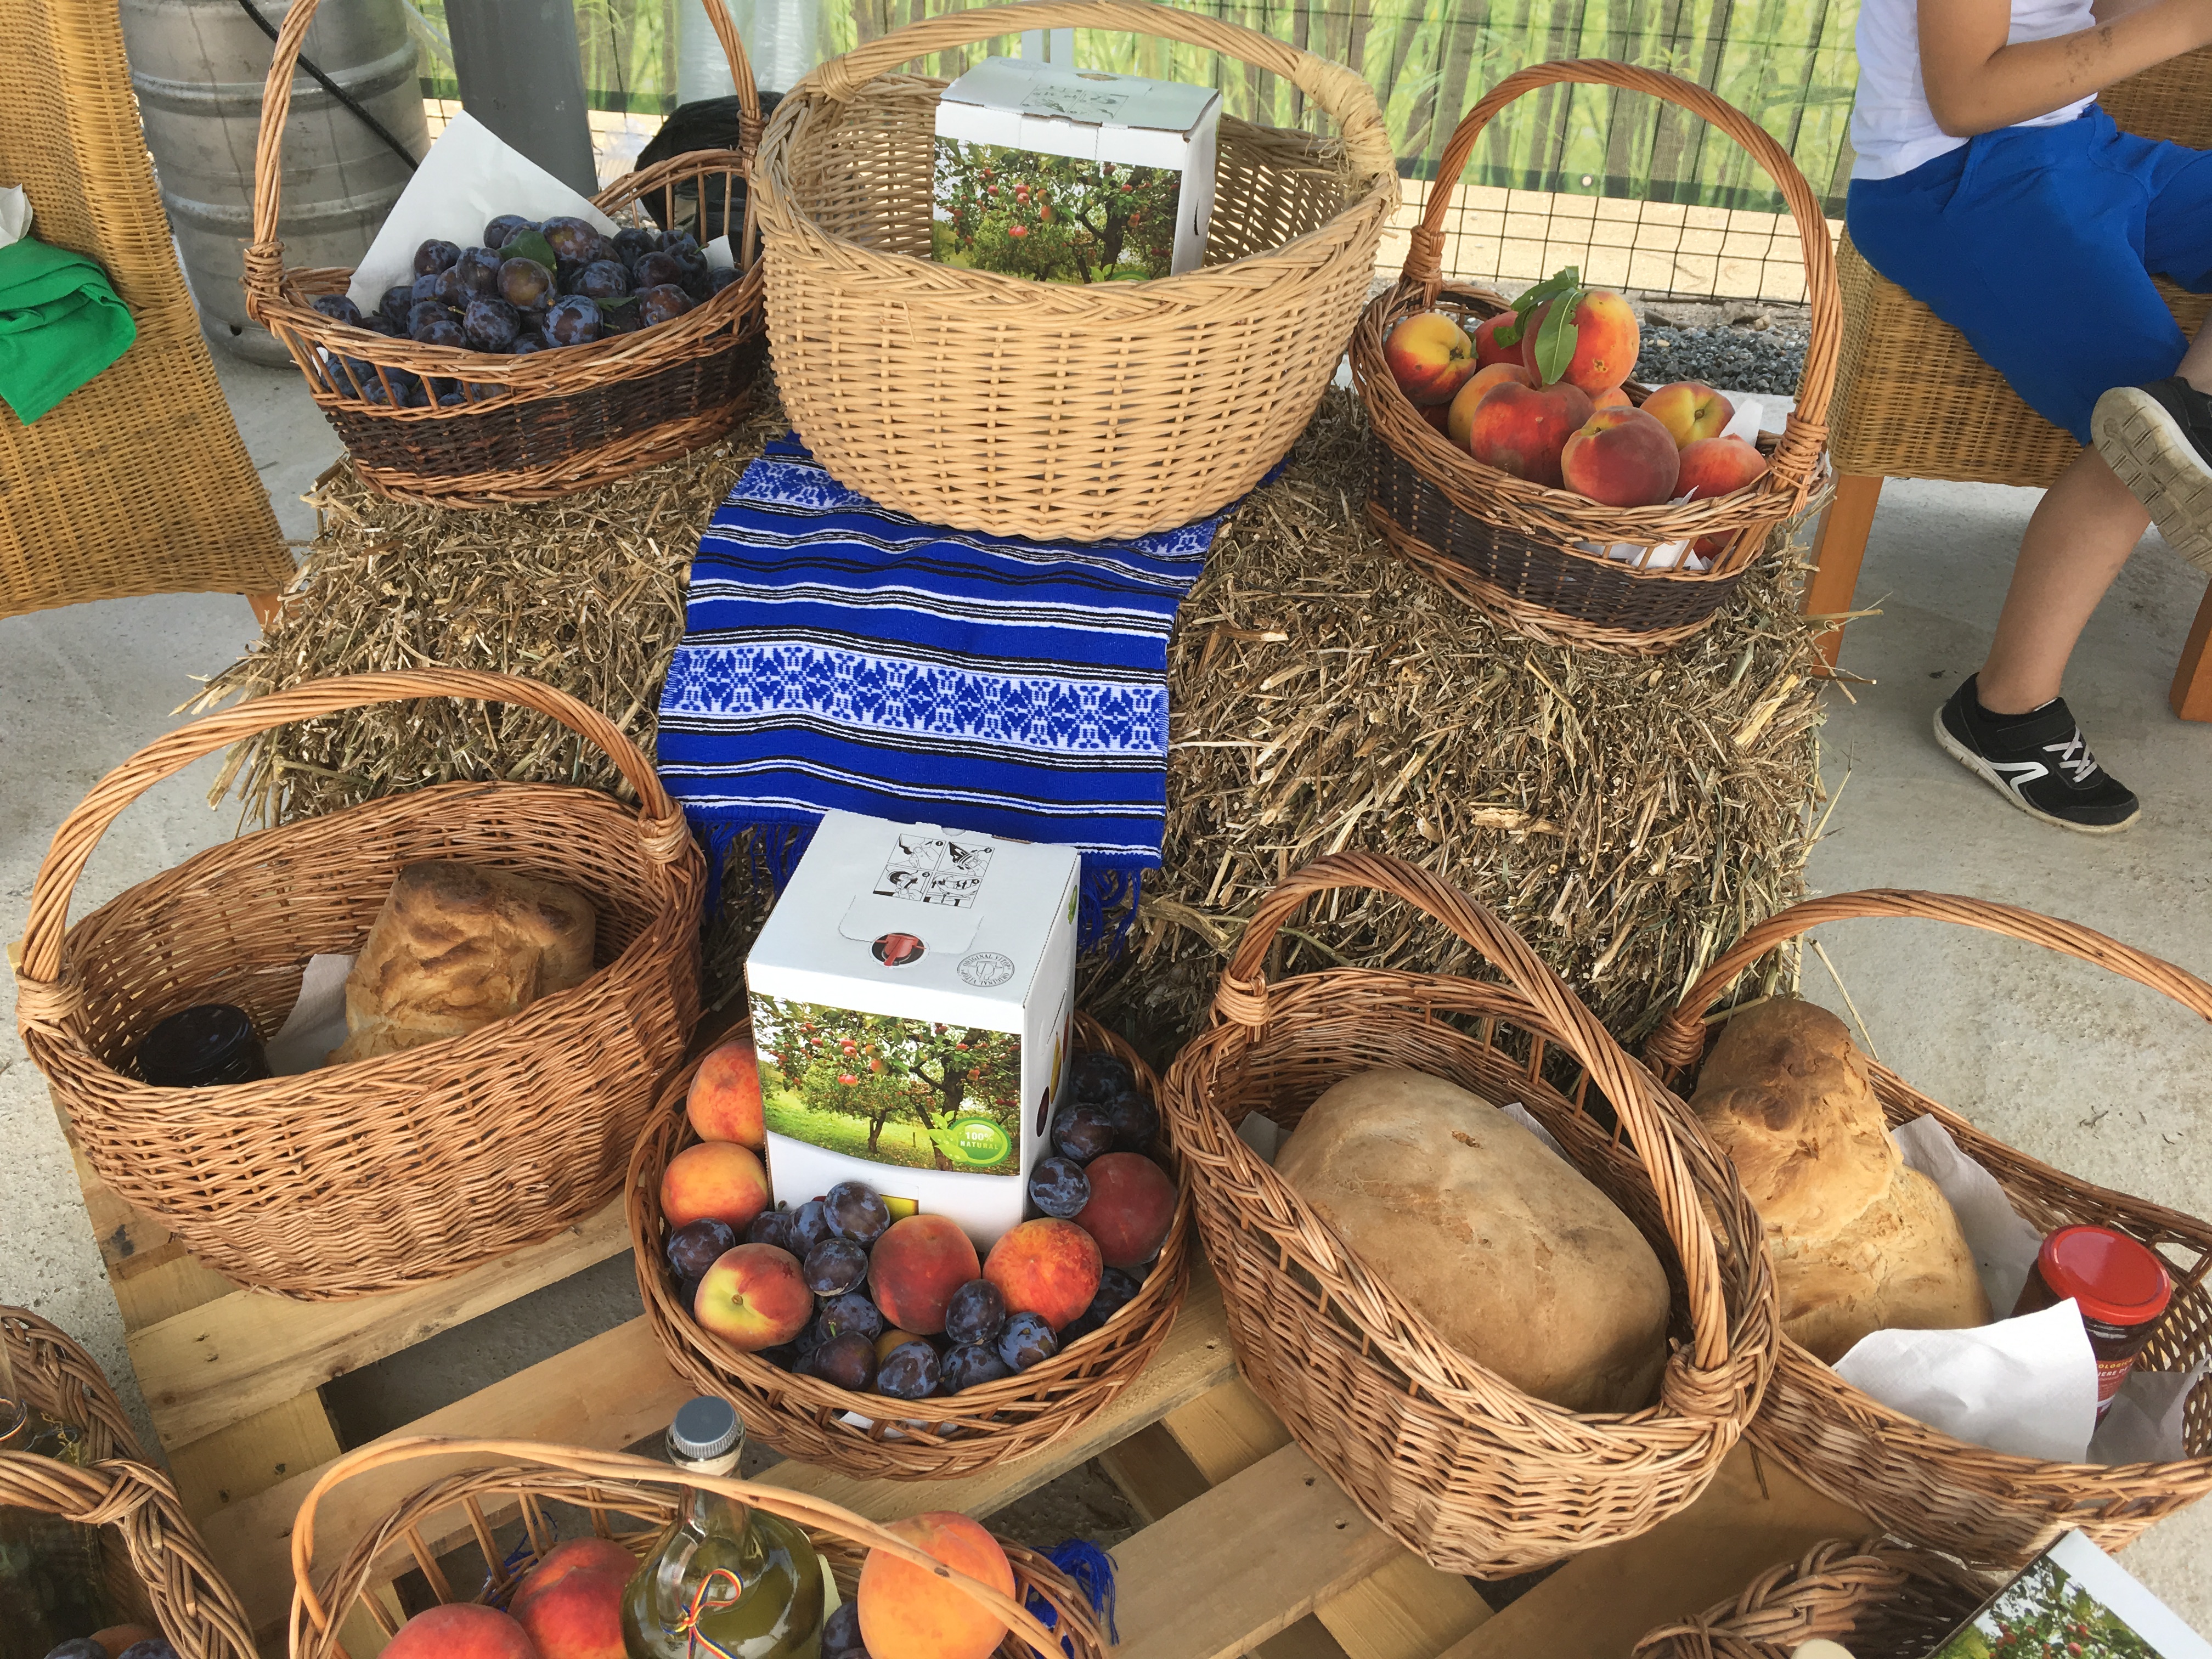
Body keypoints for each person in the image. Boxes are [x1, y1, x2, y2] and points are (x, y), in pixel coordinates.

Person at [1844, 0, 2212, 832]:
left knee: (2164, 427)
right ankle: (2005, 707)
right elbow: (1966, 99)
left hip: (2078, 141)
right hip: (1951, 180)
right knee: (2144, 428)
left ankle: (2193, 416)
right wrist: (2192, 24)